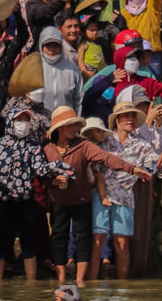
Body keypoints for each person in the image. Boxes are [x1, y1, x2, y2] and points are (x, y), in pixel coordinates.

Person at [43, 105, 152, 285]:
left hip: (81, 200)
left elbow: (107, 158)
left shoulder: (83, 145)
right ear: (61, 128)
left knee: (84, 237)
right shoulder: (48, 149)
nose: (75, 129)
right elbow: (40, 176)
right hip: (59, 202)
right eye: (71, 125)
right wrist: (54, 182)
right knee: (58, 238)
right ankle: (61, 279)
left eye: (75, 125)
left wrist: (131, 168)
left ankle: (81, 281)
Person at [0, 103, 68, 282]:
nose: (23, 123)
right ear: (10, 121)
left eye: (26, 120)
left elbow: (40, 169)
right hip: (1, 201)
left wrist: (58, 169)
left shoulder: (34, 146)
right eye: (19, 120)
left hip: (25, 200)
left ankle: (31, 285)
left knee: (29, 243)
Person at [92, 100, 157, 279]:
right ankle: (90, 286)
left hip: (125, 197)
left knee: (122, 244)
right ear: (117, 119)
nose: (130, 119)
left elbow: (152, 161)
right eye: (126, 116)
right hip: (102, 195)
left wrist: (156, 165)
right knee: (98, 242)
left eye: (132, 117)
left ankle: (122, 290)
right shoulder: (104, 140)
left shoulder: (141, 145)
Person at [38, 27, 82, 114]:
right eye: (48, 45)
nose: (52, 49)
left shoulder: (72, 69)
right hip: (41, 123)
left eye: (56, 45)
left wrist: (76, 123)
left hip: (66, 123)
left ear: (61, 47)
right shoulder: (35, 68)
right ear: (41, 46)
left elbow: (79, 100)